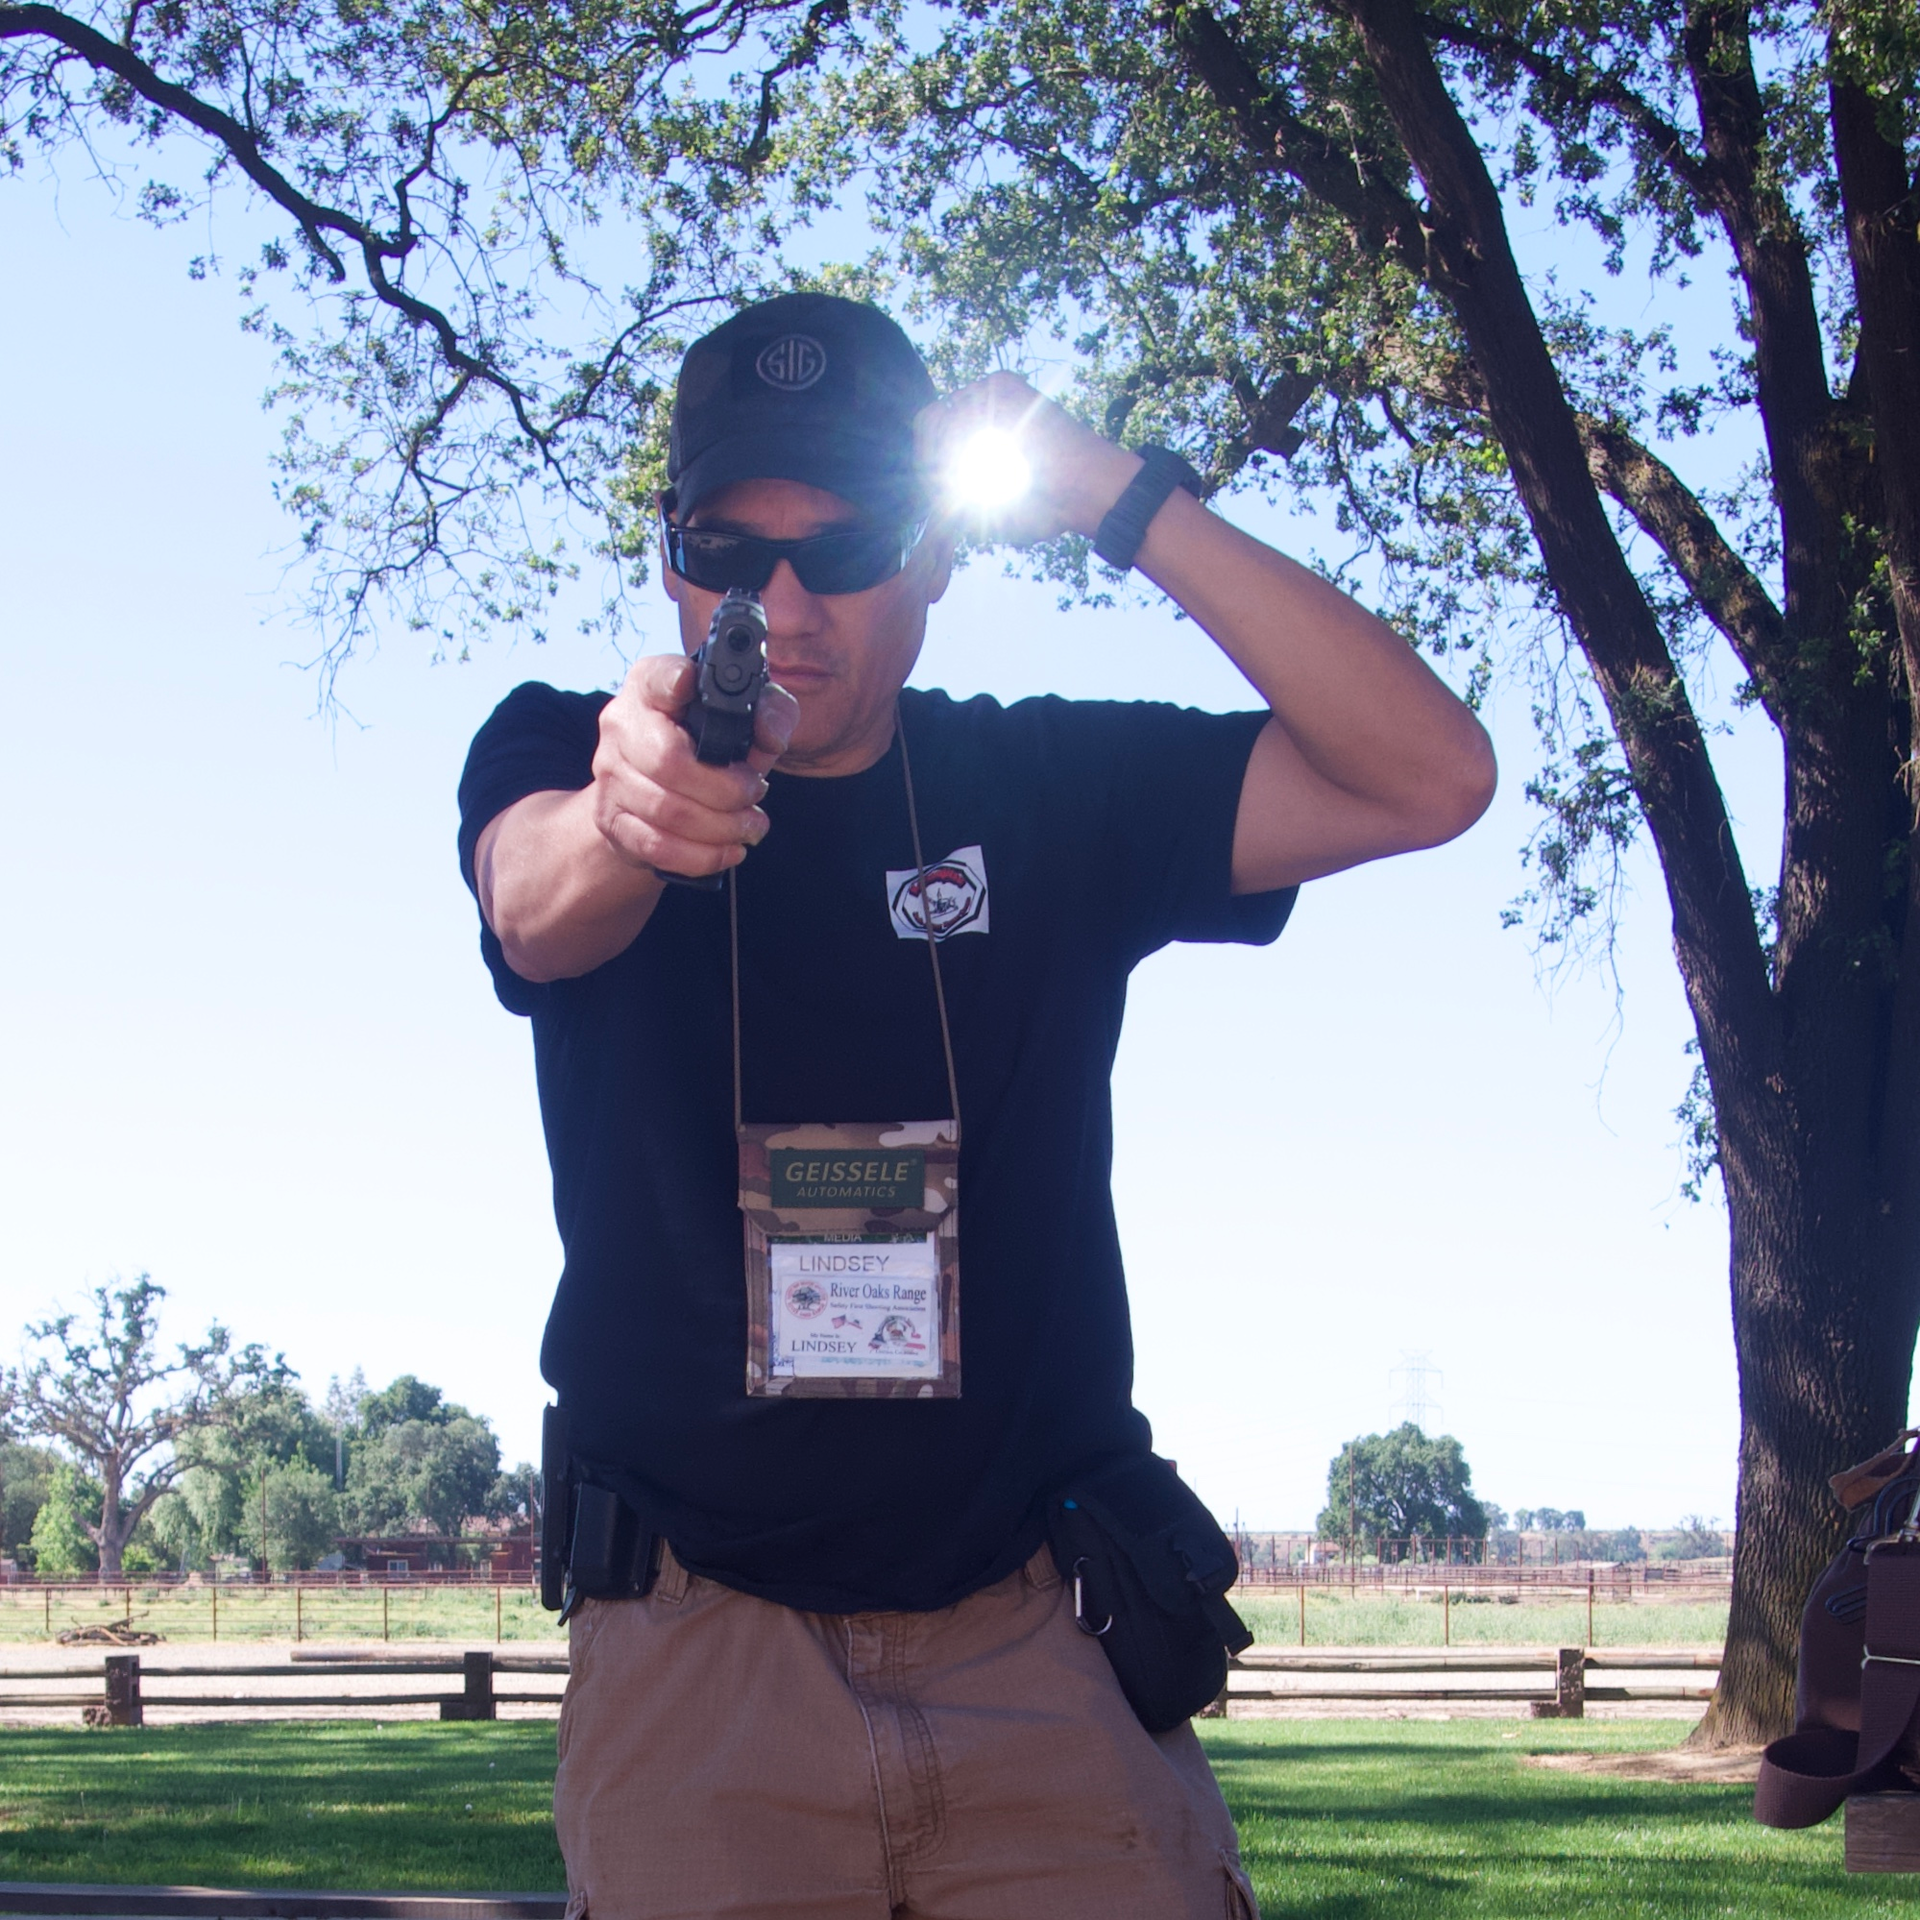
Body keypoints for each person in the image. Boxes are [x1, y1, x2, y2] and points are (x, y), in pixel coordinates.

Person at [458, 292, 1495, 1920]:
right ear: (673, 561)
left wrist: (1117, 500)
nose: (783, 604)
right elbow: (533, 904)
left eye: (849, 541)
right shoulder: (573, 758)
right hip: (695, 1662)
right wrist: (629, 819)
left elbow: (1427, 777)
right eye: (730, 549)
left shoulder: (1050, 791)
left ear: (938, 553)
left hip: (1043, 1650)